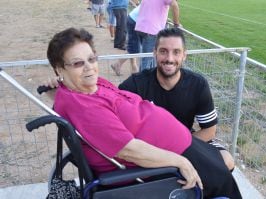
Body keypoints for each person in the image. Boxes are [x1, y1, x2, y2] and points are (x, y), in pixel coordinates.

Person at [46, 27, 242, 198]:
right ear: (59, 68)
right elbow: (129, 150)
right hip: (169, 157)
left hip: (182, 144)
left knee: (223, 168)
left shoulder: (88, 89)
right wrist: (180, 161)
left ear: (184, 55)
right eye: (78, 63)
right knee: (223, 185)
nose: (89, 67)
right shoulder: (84, 106)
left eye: (91, 59)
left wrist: (60, 88)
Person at [119, 28, 235, 171]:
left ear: (184, 55)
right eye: (163, 51)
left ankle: (201, 192)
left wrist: (178, 149)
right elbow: (119, 129)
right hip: (149, 148)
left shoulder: (198, 84)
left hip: (187, 141)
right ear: (154, 52)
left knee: (227, 161)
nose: (169, 58)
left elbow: (209, 130)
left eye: (176, 52)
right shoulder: (135, 85)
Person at [135, 0, 180, 71]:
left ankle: (150, 79)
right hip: (151, 30)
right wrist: (176, 24)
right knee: (147, 60)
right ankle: (142, 81)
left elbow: (153, 8)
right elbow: (174, 5)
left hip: (141, 27)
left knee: (150, 58)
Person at [110, 4, 140, 76]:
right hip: (135, 20)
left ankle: (132, 67)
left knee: (134, 46)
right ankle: (122, 65)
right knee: (135, 47)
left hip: (135, 18)